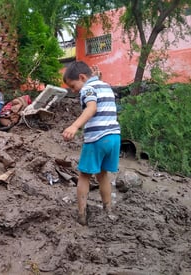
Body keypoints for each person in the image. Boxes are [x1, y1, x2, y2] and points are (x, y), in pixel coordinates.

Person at [62, 61, 120, 226]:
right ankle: (108, 211)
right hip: (114, 137)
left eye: (73, 86)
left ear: (82, 77)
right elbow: (98, 96)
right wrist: (96, 78)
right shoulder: (105, 85)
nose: (73, 91)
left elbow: (92, 108)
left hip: (97, 138)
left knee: (84, 176)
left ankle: (81, 216)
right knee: (103, 176)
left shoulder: (87, 88)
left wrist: (74, 126)